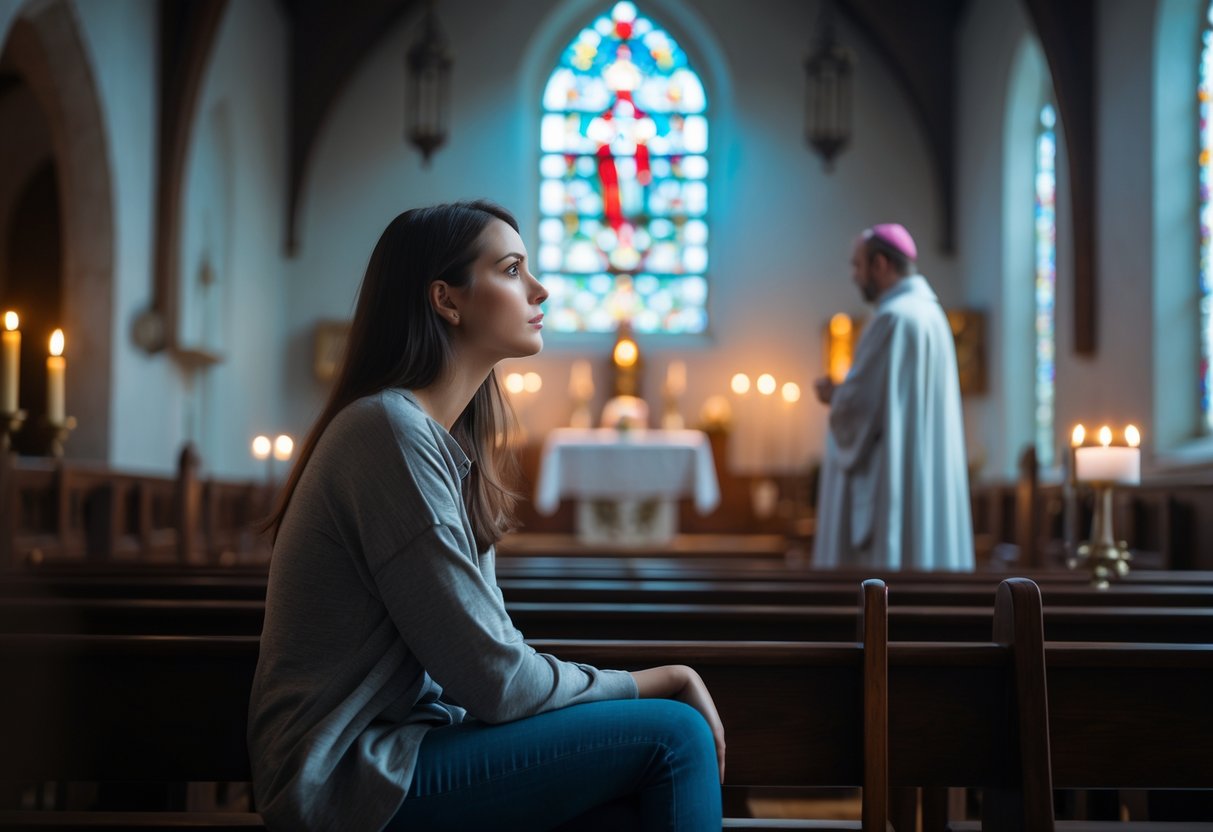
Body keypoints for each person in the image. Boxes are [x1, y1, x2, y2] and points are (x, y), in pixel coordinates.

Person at [247, 200, 725, 831]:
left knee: (623, 805)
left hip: (409, 747)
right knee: (674, 735)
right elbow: (498, 678)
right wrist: (662, 678)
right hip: (343, 775)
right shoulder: (388, 432)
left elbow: (488, 659)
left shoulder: (442, 443)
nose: (540, 288)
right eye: (511, 269)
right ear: (447, 300)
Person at [812, 223, 974, 571]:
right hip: (921, 473)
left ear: (881, 264)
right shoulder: (932, 315)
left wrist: (834, 395)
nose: (855, 277)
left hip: (893, 478)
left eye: (858, 265)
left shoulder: (892, 319)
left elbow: (859, 407)